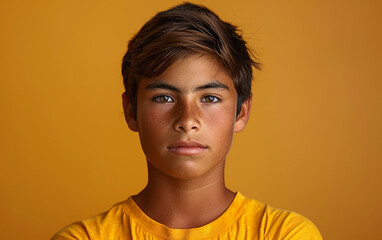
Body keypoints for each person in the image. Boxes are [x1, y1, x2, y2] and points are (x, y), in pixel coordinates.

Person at [52, 2, 322, 239]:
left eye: (210, 98)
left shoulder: (283, 233)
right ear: (131, 111)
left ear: (241, 112)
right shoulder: (84, 237)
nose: (188, 120)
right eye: (164, 98)